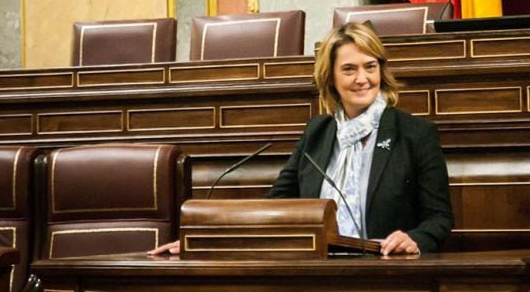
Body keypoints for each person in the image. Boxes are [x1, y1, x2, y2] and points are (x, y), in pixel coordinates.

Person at [149, 21, 453, 256]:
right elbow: (273, 207)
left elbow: (438, 218)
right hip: (317, 268)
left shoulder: (414, 134)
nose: (362, 79)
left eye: (370, 67)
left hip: (384, 270)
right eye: (349, 69)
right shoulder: (317, 134)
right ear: (330, 78)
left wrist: (414, 239)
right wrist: (202, 243)